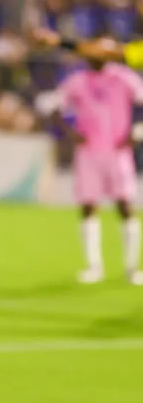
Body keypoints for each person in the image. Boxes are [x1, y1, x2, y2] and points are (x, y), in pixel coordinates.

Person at [50, 57, 143, 285]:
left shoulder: (123, 77)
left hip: (118, 152)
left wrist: (138, 131)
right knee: (88, 206)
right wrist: (71, 133)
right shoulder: (78, 80)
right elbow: (54, 108)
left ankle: (132, 268)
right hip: (88, 153)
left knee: (125, 206)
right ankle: (94, 267)